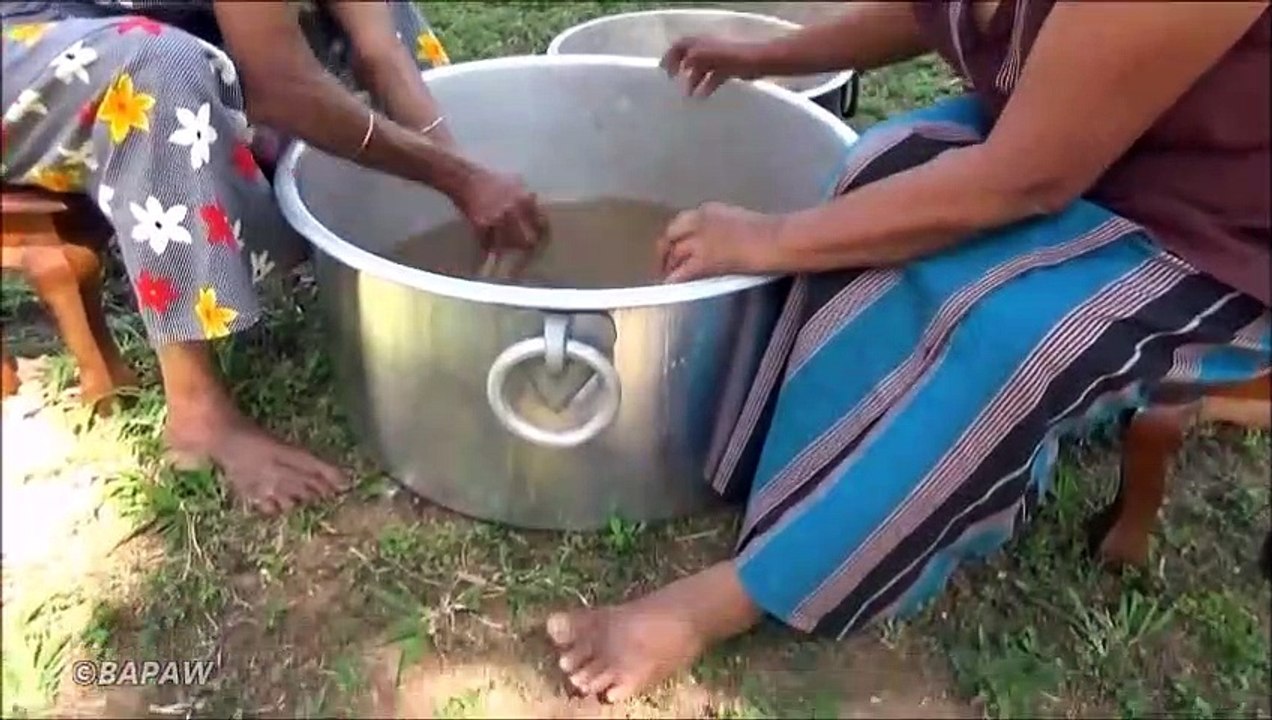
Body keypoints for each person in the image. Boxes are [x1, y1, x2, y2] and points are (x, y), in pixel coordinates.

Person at [546, 1, 1271, 702]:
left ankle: (727, 600)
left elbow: (1030, 179)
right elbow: (931, 11)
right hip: (1088, 137)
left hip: (1211, 226)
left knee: (1011, 333)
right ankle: (821, 469)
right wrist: (768, 57)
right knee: (882, 168)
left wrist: (769, 238)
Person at [1, 1, 547, 514]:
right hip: (27, 35)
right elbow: (280, 85)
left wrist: (459, 178)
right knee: (158, 71)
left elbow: (379, 53)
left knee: (377, 16)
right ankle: (197, 416)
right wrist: (462, 181)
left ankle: (383, 248)